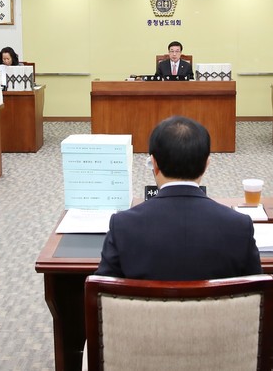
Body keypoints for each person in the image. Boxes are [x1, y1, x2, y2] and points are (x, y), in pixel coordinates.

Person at [96, 116, 262, 280]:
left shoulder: (122, 225)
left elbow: (101, 290)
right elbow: (257, 289)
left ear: (154, 164)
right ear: (206, 164)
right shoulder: (239, 226)